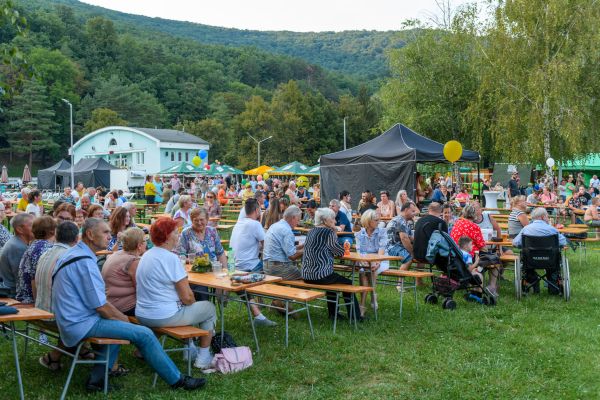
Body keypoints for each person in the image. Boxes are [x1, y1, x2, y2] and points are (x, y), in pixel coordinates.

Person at [53, 218, 207, 391]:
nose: (109, 236)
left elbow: (96, 300)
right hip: (80, 322)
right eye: (105, 232)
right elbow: (102, 307)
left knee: (119, 329)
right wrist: (125, 320)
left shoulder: (75, 254)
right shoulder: (84, 261)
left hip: (69, 318)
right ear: (89, 234)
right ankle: (178, 380)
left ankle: (96, 381)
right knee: (145, 334)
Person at [135, 217, 216, 369]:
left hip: (142, 314)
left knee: (185, 308)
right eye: (175, 232)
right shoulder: (171, 258)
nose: (178, 234)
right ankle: (203, 358)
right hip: (162, 316)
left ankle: (188, 349)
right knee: (208, 308)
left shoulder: (146, 255)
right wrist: (190, 302)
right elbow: (187, 297)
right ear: (167, 236)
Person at [34, 221, 81, 371]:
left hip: (40, 310)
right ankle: (54, 356)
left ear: (56, 235)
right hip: (54, 317)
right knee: (94, 315)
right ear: (76, 238)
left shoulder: (46, 253)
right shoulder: (70, 256)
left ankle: (82, 351)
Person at [302, 207, 361, 321]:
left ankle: (334, 315)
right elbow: (339, 252)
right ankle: (355, 317)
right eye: (333, 219)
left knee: (333, 284)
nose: (335, 221)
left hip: (306, 275)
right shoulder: (328, 232)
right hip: (320, 275)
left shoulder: (311, 231)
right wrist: (334, 231)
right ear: (325, 220)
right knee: (348, 283)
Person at [512, 207, 568, 294]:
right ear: (542, 217)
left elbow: (515, 243)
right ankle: (553, 287)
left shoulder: (526, 229)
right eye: (547, 216)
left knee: (527, 266)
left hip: (530, 260)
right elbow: (563, 242)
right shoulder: (552, 229)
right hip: (550, 260)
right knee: (553, 268)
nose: (548, 218)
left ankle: (534, 282)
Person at [450, 204, 498, 296]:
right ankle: (492, 287)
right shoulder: (474, 227)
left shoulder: (457, 223)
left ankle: (477, 279)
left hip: (456, 256)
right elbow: (483, 247)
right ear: (474, 215)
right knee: (495, 260)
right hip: (469, 258)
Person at [102, 227, 146, 316]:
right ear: (139, 245)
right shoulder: (133, 261)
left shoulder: (117, 254)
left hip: (110, 302)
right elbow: (141, 289)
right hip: (125, 307)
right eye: (145, 240)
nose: (147, 243)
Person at [16, 216, 57, 304]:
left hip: (23, 295)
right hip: (29, 299)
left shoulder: (36, 244)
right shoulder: (44, 248)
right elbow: (34, 279)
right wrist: (38, 306)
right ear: (52, 231)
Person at [354, 209, 388, 314]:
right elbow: (360, 251)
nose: (379, 222)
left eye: (378, 220)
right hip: (365, 259)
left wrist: (376, 261)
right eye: (376, 220)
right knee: (364, 271)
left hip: (381, 259)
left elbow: (381, 250)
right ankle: (368, 299)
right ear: (368, 221)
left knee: (371, 268)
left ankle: (363, 304)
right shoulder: (360, 234)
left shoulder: (382, 231)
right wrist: (363, 261)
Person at [263, 206, 304, 280]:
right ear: (293, 218)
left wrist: (302, 246)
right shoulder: (286, 230)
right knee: (306, 276)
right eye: (298, 220)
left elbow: (286, 248)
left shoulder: (274, 225)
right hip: (278, 268)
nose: (298, 223)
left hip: (267, 266)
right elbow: (292, 256)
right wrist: (308, 250)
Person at [0, 213, 34, 297]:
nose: (36, 228)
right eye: (32, 225)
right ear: (19, 229)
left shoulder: (17, 242)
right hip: (11, 294)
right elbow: (22, 279)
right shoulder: (18, 247)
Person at [230, 199, 265, 273]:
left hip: (234, 266)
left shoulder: (238, 224)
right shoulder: (255, 224)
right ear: (256, 210)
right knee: (272, 269)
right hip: (250, 266)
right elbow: (267, 245)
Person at [386, 202, 418, 272]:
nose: (414, 213)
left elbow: (410, 237)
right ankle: (399, 282)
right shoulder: (400, 220)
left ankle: (419, 281)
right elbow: (404, 239)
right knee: (408, 259)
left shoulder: (405, 221)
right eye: (412, 211)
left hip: (397, 246)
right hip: (392, 247)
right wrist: (412, 253)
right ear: (406, 210)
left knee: (420, 254)